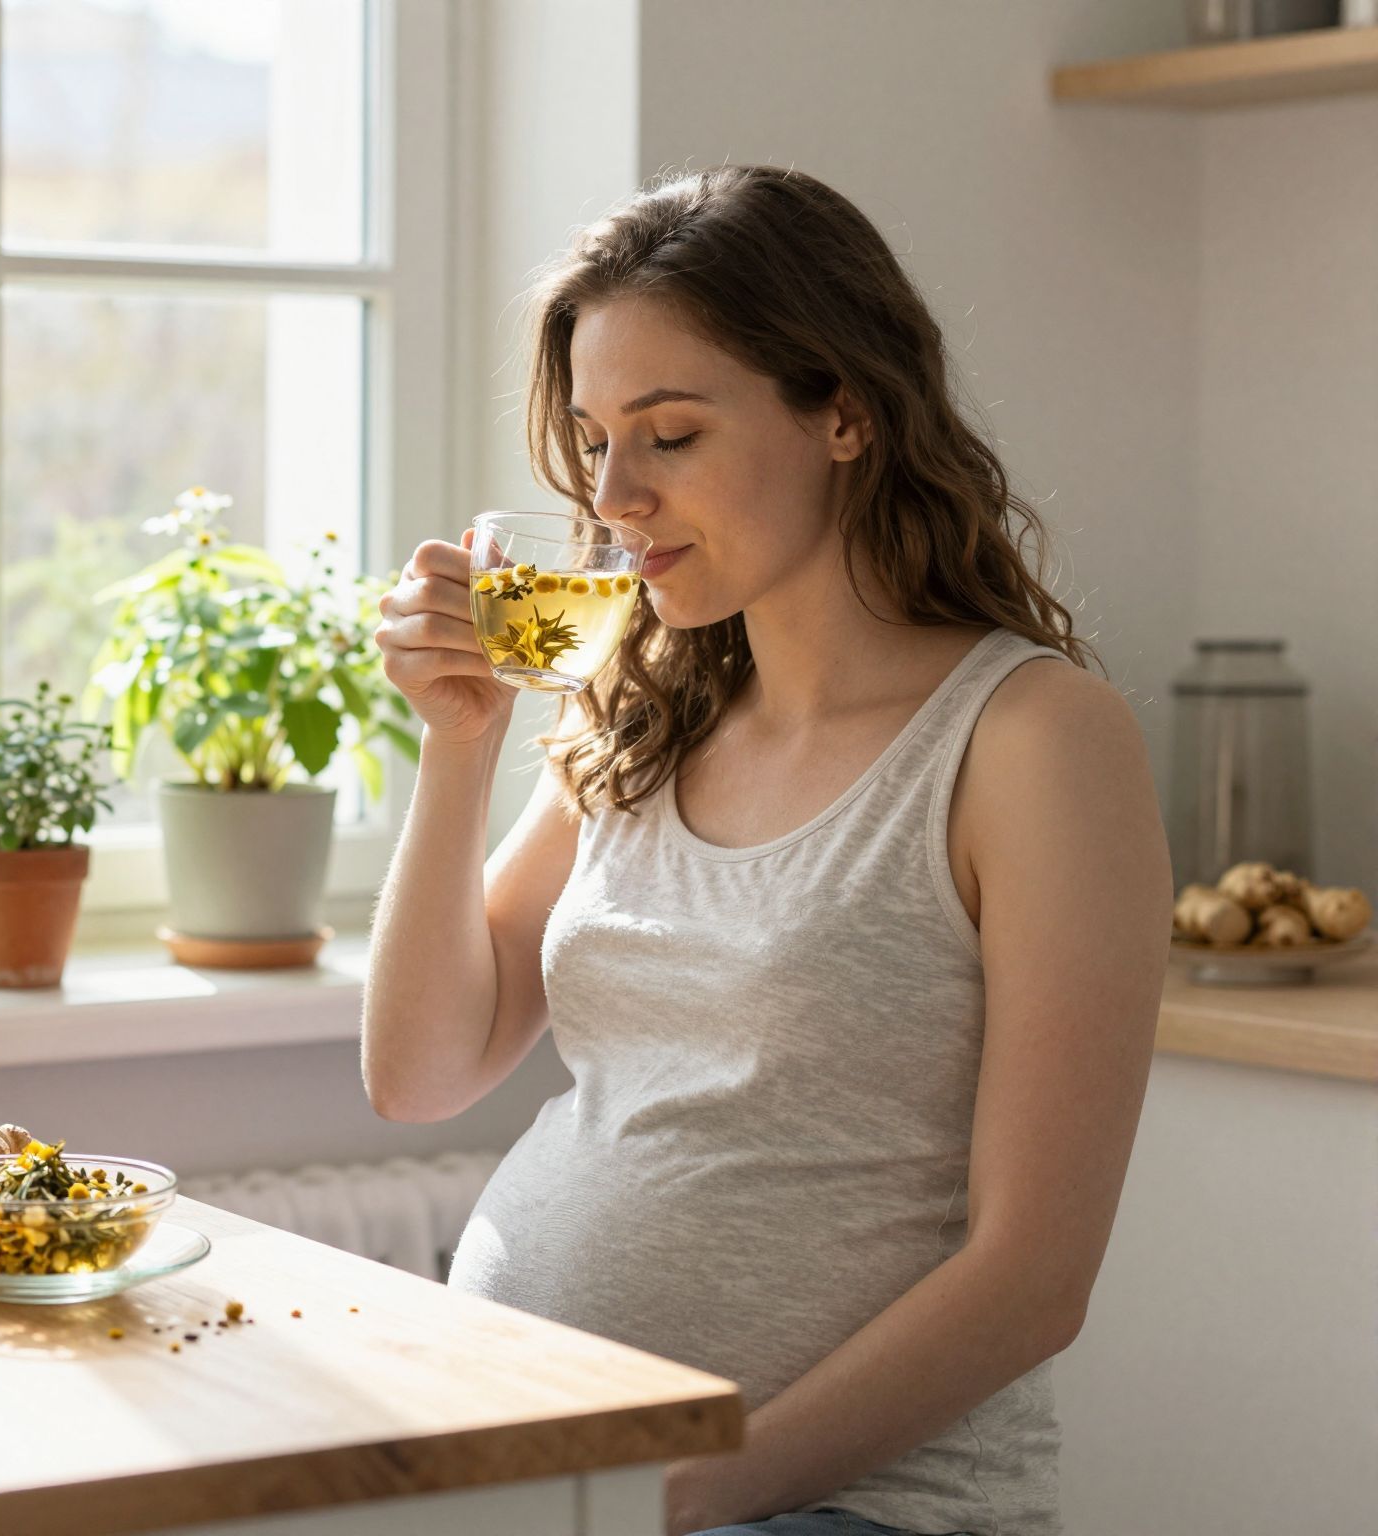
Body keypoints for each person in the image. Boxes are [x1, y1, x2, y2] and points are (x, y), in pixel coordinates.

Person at [363, 166, 1172, 1536]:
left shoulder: (1031, 742)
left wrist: (677, 1493)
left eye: (669, 436)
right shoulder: (644, 711)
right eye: (593, 439)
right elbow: (421, 1071)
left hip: (833, 1508)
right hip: (538, 1458)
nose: (614, 495)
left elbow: (1033, 1278)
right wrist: (460, 743)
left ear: (844, 413)